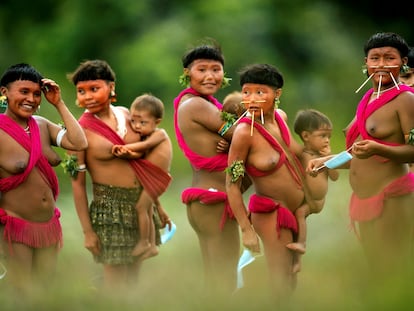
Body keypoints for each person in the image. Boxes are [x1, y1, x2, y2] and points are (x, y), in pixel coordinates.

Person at [307, 32, 414, 279]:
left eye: (390, 58)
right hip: (364, 199)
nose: (381, 64)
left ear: (403, 62)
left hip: (393, 197)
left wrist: (380, 148)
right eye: (374, 58)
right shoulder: (368, 98)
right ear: (365, 63)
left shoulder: (406, 100)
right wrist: (327, 162)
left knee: (393, 269)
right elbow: (360, 153)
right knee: (377, 270)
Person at [66, 60, 171, 292]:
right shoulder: (78, 131)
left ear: (111, 87)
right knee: (115, 284)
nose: (88, 96)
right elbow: (77, 186)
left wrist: (158, 206)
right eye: (81, 91)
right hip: (109, 209)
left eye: (94, 88)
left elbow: (142, 166)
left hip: (140, 203)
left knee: (133, 282)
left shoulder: (127, 115)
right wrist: (88, 232)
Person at [0, 63, 88, 293]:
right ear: (4, 93)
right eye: (24, 92)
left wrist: (58, 103)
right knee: (23, 292)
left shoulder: (41, 125)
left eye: (37, 94)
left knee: (45, 292)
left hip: (48, 226)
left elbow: (79, 143)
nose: (31, 98)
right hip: (15, 227)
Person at [226, 63, 309, 303]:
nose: (251, 99)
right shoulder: (244, 133)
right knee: (280, 280)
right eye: (246, 92)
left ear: (277, 94)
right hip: (271, 213)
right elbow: (232, 184)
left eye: (260, 92)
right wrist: (246, 229)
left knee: (291, 280)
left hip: (296, 212)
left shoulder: (281, 119)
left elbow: (299, 155)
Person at [173, 40, 242, 296]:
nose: (210, 76)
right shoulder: (197, 105)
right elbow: (241, 134)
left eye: (216, 69)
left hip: (207, 199)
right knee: (224, 279)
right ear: (187, 74)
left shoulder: (206, 104)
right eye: (202, 69)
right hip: (211, 199)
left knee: (216, 277)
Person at [112, 93, 172, 260]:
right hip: (150, 177)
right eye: (133, 121)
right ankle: (151, 245)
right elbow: (138, 155)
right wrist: (127, 154)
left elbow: (144, 146)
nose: (137, 126)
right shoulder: (145, 135)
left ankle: (145, 242)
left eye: (143, 122)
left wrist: (125, 147)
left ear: (156, 122)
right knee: (147, 207)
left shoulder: (159, 134)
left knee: (141, 208)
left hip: (157, 177)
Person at [286, 109, 339, 271]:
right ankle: (296, 261)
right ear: (306, 136)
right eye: (323, 136)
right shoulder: (303, 154)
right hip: (307, 199)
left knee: (300, 214)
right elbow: (287, 143)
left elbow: (335, 176)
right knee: (298, 217)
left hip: (317, 202)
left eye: (329, 137)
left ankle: (302, 244)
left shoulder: (325, 158)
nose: (327, 141)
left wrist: (330, 159)